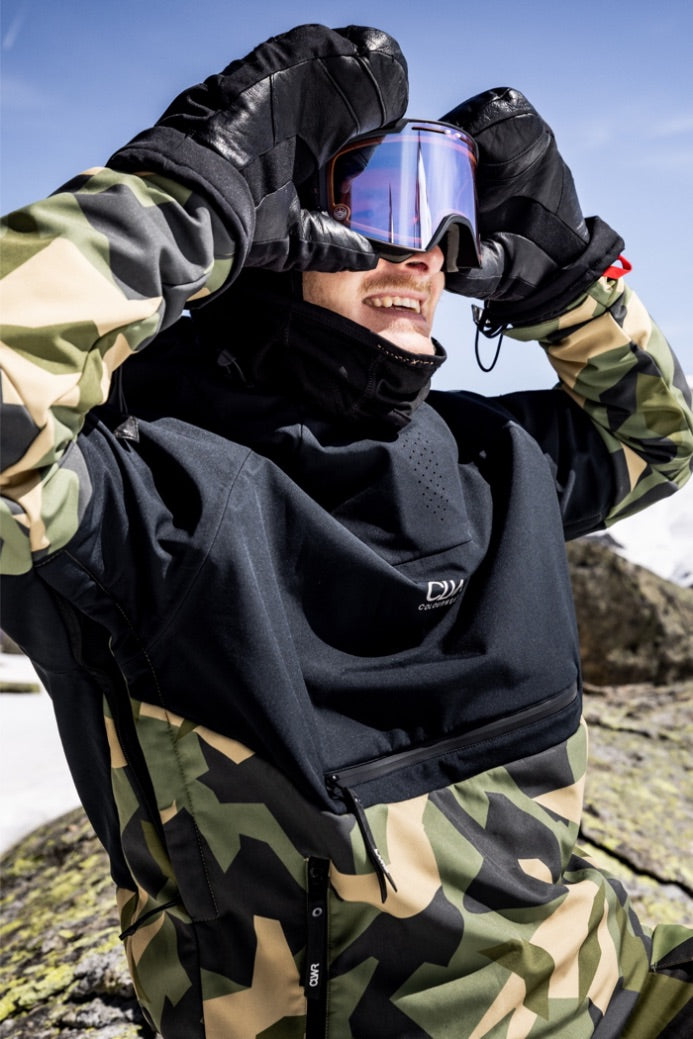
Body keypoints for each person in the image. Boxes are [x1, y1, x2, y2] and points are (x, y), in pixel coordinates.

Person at [1, 22, 692, 1039]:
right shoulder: (146, 493)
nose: (422, 254)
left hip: (627, 993)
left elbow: (661, 439)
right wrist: (189, 188)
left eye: (449, 222)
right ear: (275, 230)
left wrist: (567, 281)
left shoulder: (492, 456)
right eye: (373, 203)